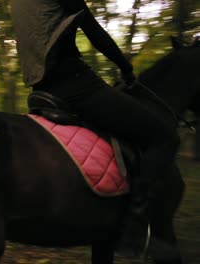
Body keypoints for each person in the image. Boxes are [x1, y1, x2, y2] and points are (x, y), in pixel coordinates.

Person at [10, 0, 180, 256]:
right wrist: (125, 67)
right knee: (165, 138)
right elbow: (92, 29)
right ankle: (134, 223)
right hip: (76, 84)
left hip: (41, 89)